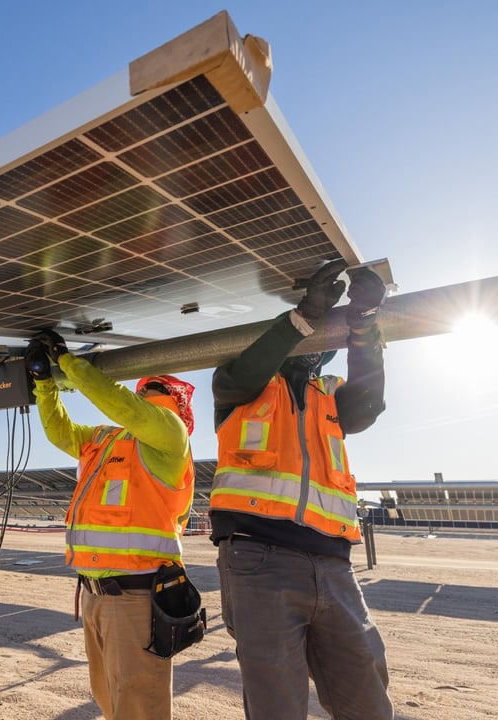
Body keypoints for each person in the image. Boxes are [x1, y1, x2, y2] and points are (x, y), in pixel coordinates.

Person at [209, 259, 395, 719]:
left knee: (366, 690)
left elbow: (369, 404)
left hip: (334, 565)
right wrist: (303, 315)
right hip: (259, 559)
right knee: (278, 703)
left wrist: (366, 324)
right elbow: (246, 368)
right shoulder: (238, 384)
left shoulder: (328, 396)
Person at [24, 330, 196, 720]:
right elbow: (61, 432)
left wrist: (68, 363)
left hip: (136, 597)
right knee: (109, 699)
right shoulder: (107, 439)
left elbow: (126, 408)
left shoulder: (171, 434)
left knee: (138, 706)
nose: (147, 394)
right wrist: (44, 385)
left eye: (154, 391)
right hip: (95, 594)